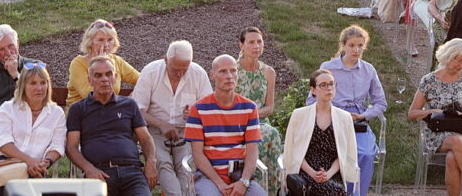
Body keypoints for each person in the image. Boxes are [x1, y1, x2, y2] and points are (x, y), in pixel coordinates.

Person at [66, 56, 160, 196]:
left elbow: (146, 138)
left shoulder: (129, 104)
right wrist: (89, 169)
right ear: (90, 80)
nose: (104, 79)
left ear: (115, 77)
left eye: (108, 74)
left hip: (132, 172)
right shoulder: (78, 109)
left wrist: (151, 163)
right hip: (99, 174)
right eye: (98, 75)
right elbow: (71, 146)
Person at [408, 39, 462, 196]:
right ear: (448, 55)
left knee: (452, 158)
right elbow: (412, 113)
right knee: (456, 141)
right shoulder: (429, 80)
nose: (461, 64)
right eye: (458, 60)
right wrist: (432, 112)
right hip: (438, 133)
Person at [131, 40, 212, 196]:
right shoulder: (151, 72)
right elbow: (136, 111)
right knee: (162, 162)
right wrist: (161, 124)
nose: (180, 74)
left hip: (187, 130)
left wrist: (195, 113)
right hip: (154, 129)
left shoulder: (198, 73)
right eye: (176, 69)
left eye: (185, 69)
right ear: (165, 59)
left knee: (186, 164)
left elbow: (208, 110)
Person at [313, 26, 386, 196]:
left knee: (366, 153)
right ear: (343, 45)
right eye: (352, 45)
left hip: (358, 119)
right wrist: (330, 112)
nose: (356, 50)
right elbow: (311, 98)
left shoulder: (369, 70)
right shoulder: (328, 67)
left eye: (360, 45)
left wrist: (364, 115)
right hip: (332, 115)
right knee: (339, 152)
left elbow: (381, 103)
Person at [0, 64, 66, 196]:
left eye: (43, 83)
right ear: (23, 85)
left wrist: (46, 162)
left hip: (33, 170)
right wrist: (29, 161)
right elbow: (3, 142)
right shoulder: (8, 108)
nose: (39, 88)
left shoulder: (56, 113)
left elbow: (57, 145)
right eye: (33, 83)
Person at [184, 55, 267, 196]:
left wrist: (244, 181)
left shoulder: (249, 108)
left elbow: (252, 151)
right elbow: (197, 154)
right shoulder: (198, 109)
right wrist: (220, 184)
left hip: (240, 176)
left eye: (233, 71)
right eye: (223, 71)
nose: (229, 76)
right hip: (209, 177)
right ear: (212, 75)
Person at [284, 69, 359, 195]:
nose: (328, 88)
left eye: (331, 84)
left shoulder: (345, 118)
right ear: (313, 90)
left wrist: (328, 174)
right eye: (323, 85)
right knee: (322, 190)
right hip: (305, 171)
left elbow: (344, 153)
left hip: (333, 172)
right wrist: (313, 173)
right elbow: (294, 150)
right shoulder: (299, 115)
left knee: (335, 189)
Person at [66, 19, 140, 107]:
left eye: (110, 40)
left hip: (109, 111)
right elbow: (91, 94)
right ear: (90, 42)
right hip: (81, 113)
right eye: (100, 40)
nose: (106, 44)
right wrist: (102, 63)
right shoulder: (78, 64)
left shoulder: (117, 61)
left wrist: (131, 98)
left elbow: (143, 80)